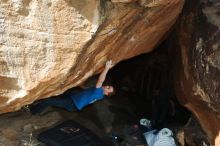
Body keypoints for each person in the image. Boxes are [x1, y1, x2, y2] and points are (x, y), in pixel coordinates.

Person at [30, 60, 114, 114]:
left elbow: (100, 81)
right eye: (109, 86)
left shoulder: (99, 93)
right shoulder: (99, 94)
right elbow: (86, 91)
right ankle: (37, 102)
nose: (107, 86)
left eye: (108, 88)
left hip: (72, 104)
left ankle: (33, 111)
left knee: (48, 101)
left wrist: (106, 68)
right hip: (74, 97)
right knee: (59, 95)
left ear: (107, 93)